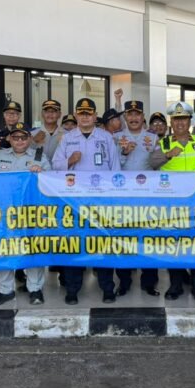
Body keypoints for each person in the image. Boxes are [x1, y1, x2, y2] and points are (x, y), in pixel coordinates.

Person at [53, 97, 121, 305]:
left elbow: (115, 168)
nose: (84, 117)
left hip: (101, 200)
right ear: (76, 115)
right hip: (74, 200)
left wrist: (113, 199)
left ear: (94, 116)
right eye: (81, 114)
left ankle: (107, 288)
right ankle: (72, 289)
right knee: (74, 244)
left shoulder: (106, 137)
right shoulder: (67, 138)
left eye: (88, 113)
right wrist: (69, 161)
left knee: (102, 244)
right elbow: (55, 165)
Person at [0, 122, 51, 305]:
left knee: (33, 249)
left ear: (30, 139)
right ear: (9, 139)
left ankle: (35, 289)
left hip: (31, 212)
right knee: (4, 248)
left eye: (23, 137)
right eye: (15, 137)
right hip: (4, 211)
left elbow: (51, 184)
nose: (19, 141)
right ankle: (5, 290)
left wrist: (42, 173)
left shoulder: (39, 156)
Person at [150, 102, 195, 301]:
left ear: (189, 121)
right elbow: (152, 163)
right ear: (171, 122)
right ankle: (175, 285)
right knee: (173, 242)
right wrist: (168, 155)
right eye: (176, 119)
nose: (180, 123)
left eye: (183, 119)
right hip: (171, 202)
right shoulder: (164, 142)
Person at [112, 100, 160, 297]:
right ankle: (124, 282)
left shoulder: (153, 137)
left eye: (137, 114)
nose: (133, 118)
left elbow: (158, 165)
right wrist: (124, 153)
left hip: (147, 196)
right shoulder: (115, 137)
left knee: (149, 238)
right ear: (125, 117)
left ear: (142, 117)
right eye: (130, 114)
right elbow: (111, 165)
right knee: (123, 239)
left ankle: (149, 282)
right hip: (123, 196)